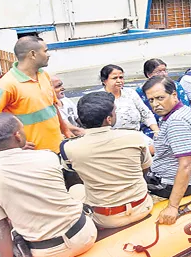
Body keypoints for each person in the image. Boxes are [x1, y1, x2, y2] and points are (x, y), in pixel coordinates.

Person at [0, 113, 97, 257]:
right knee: (77, 190)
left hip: (45, 255)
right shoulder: (48, 157)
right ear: (18, 136)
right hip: (84, 237)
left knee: (8, 220)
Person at [60, 92, 154, 228]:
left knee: (75, 188)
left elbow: (73, 174)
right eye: (115, 111)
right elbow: (145, 168)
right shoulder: (135, 137)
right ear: (109, 119)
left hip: (106, 218)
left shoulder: (68, 148)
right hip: (142, 207)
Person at [0, 36, 72, 153]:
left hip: (57, 146)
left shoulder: (44, 75)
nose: (48, 55)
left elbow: (52, 106)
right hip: (33, 153)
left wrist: (65, 130)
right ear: (33, 54)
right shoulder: (6, 85)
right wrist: (13, 146)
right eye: (45, 51)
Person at [143, 76, 191, 225]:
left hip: (180, 183)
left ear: (174, 95)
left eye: (160, 98)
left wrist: (173, 207)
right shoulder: (182, 110)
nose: (155, 104)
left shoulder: (176, 122)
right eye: (151, 100)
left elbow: (185, 164)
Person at [136, 58, 190, 138]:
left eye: (165, 70)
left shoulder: (175, 86)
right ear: (149, 75)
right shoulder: (141, 91)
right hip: (153, 124)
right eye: (159, 71)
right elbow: (143, 114)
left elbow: (185, 105)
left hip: (176, 119)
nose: (163, 74)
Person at [99, 64, 158, 136]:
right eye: (114, 78)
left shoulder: (130, 93)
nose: (119, 81)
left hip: (136, 135)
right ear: (104, 81)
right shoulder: (98, 98)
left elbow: (146, 114)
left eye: (121, 77)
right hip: (112, 138)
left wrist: (156, 131)